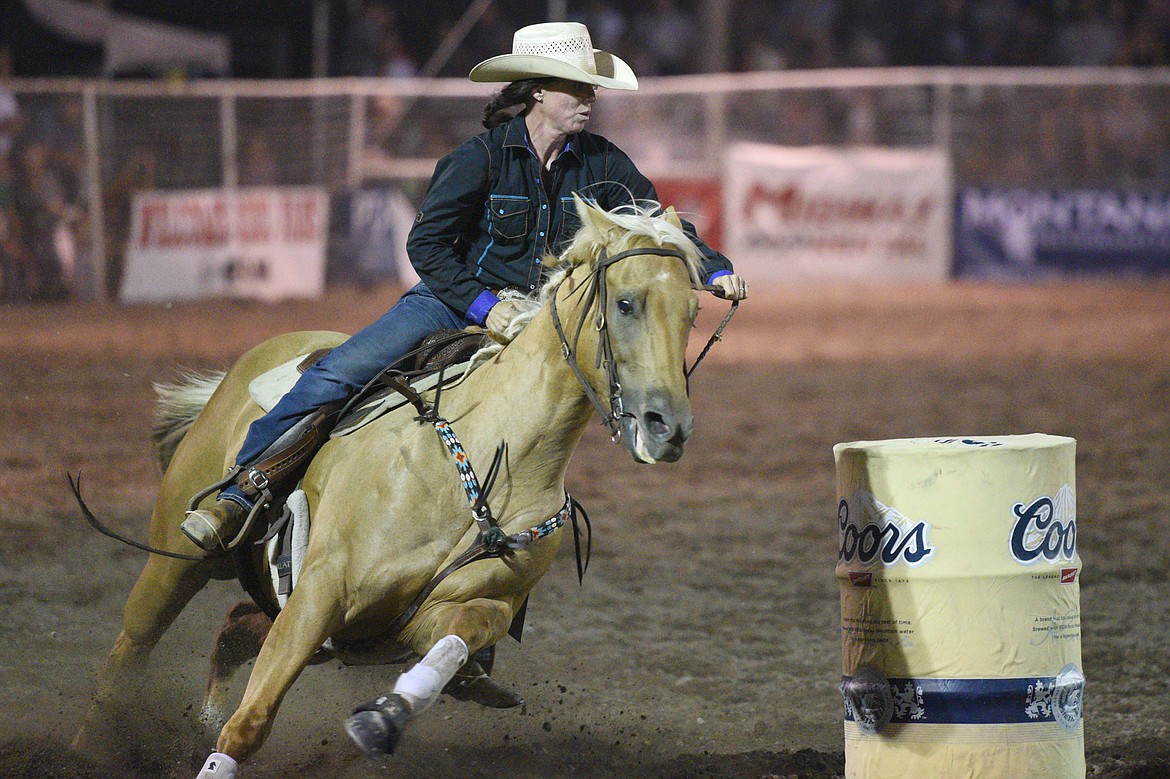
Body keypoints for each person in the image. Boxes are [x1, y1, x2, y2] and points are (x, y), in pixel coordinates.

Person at [180, 21, 748, 551]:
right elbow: (425, 247)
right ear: (536, 92)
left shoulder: (603, 163)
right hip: (450, 307)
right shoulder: (478, 159)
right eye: (575, 87)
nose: (588, 99)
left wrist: (713, 267)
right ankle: (240, 491)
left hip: (538, 321)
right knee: (341, 371)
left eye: (590, 89)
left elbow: (656, 224)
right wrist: (484, 304)